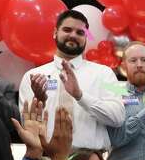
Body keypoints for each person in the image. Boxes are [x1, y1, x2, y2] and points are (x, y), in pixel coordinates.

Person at [19, 10, 124, 150]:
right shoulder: (33, 75)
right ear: (55, 33)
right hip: (47, 159)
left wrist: (80, 96)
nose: (73, 35)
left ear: (86, 37)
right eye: (67, 30)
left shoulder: (104, 73)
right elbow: (27, 125)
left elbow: (117, 118)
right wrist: (40, 101)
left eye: (80, 33)